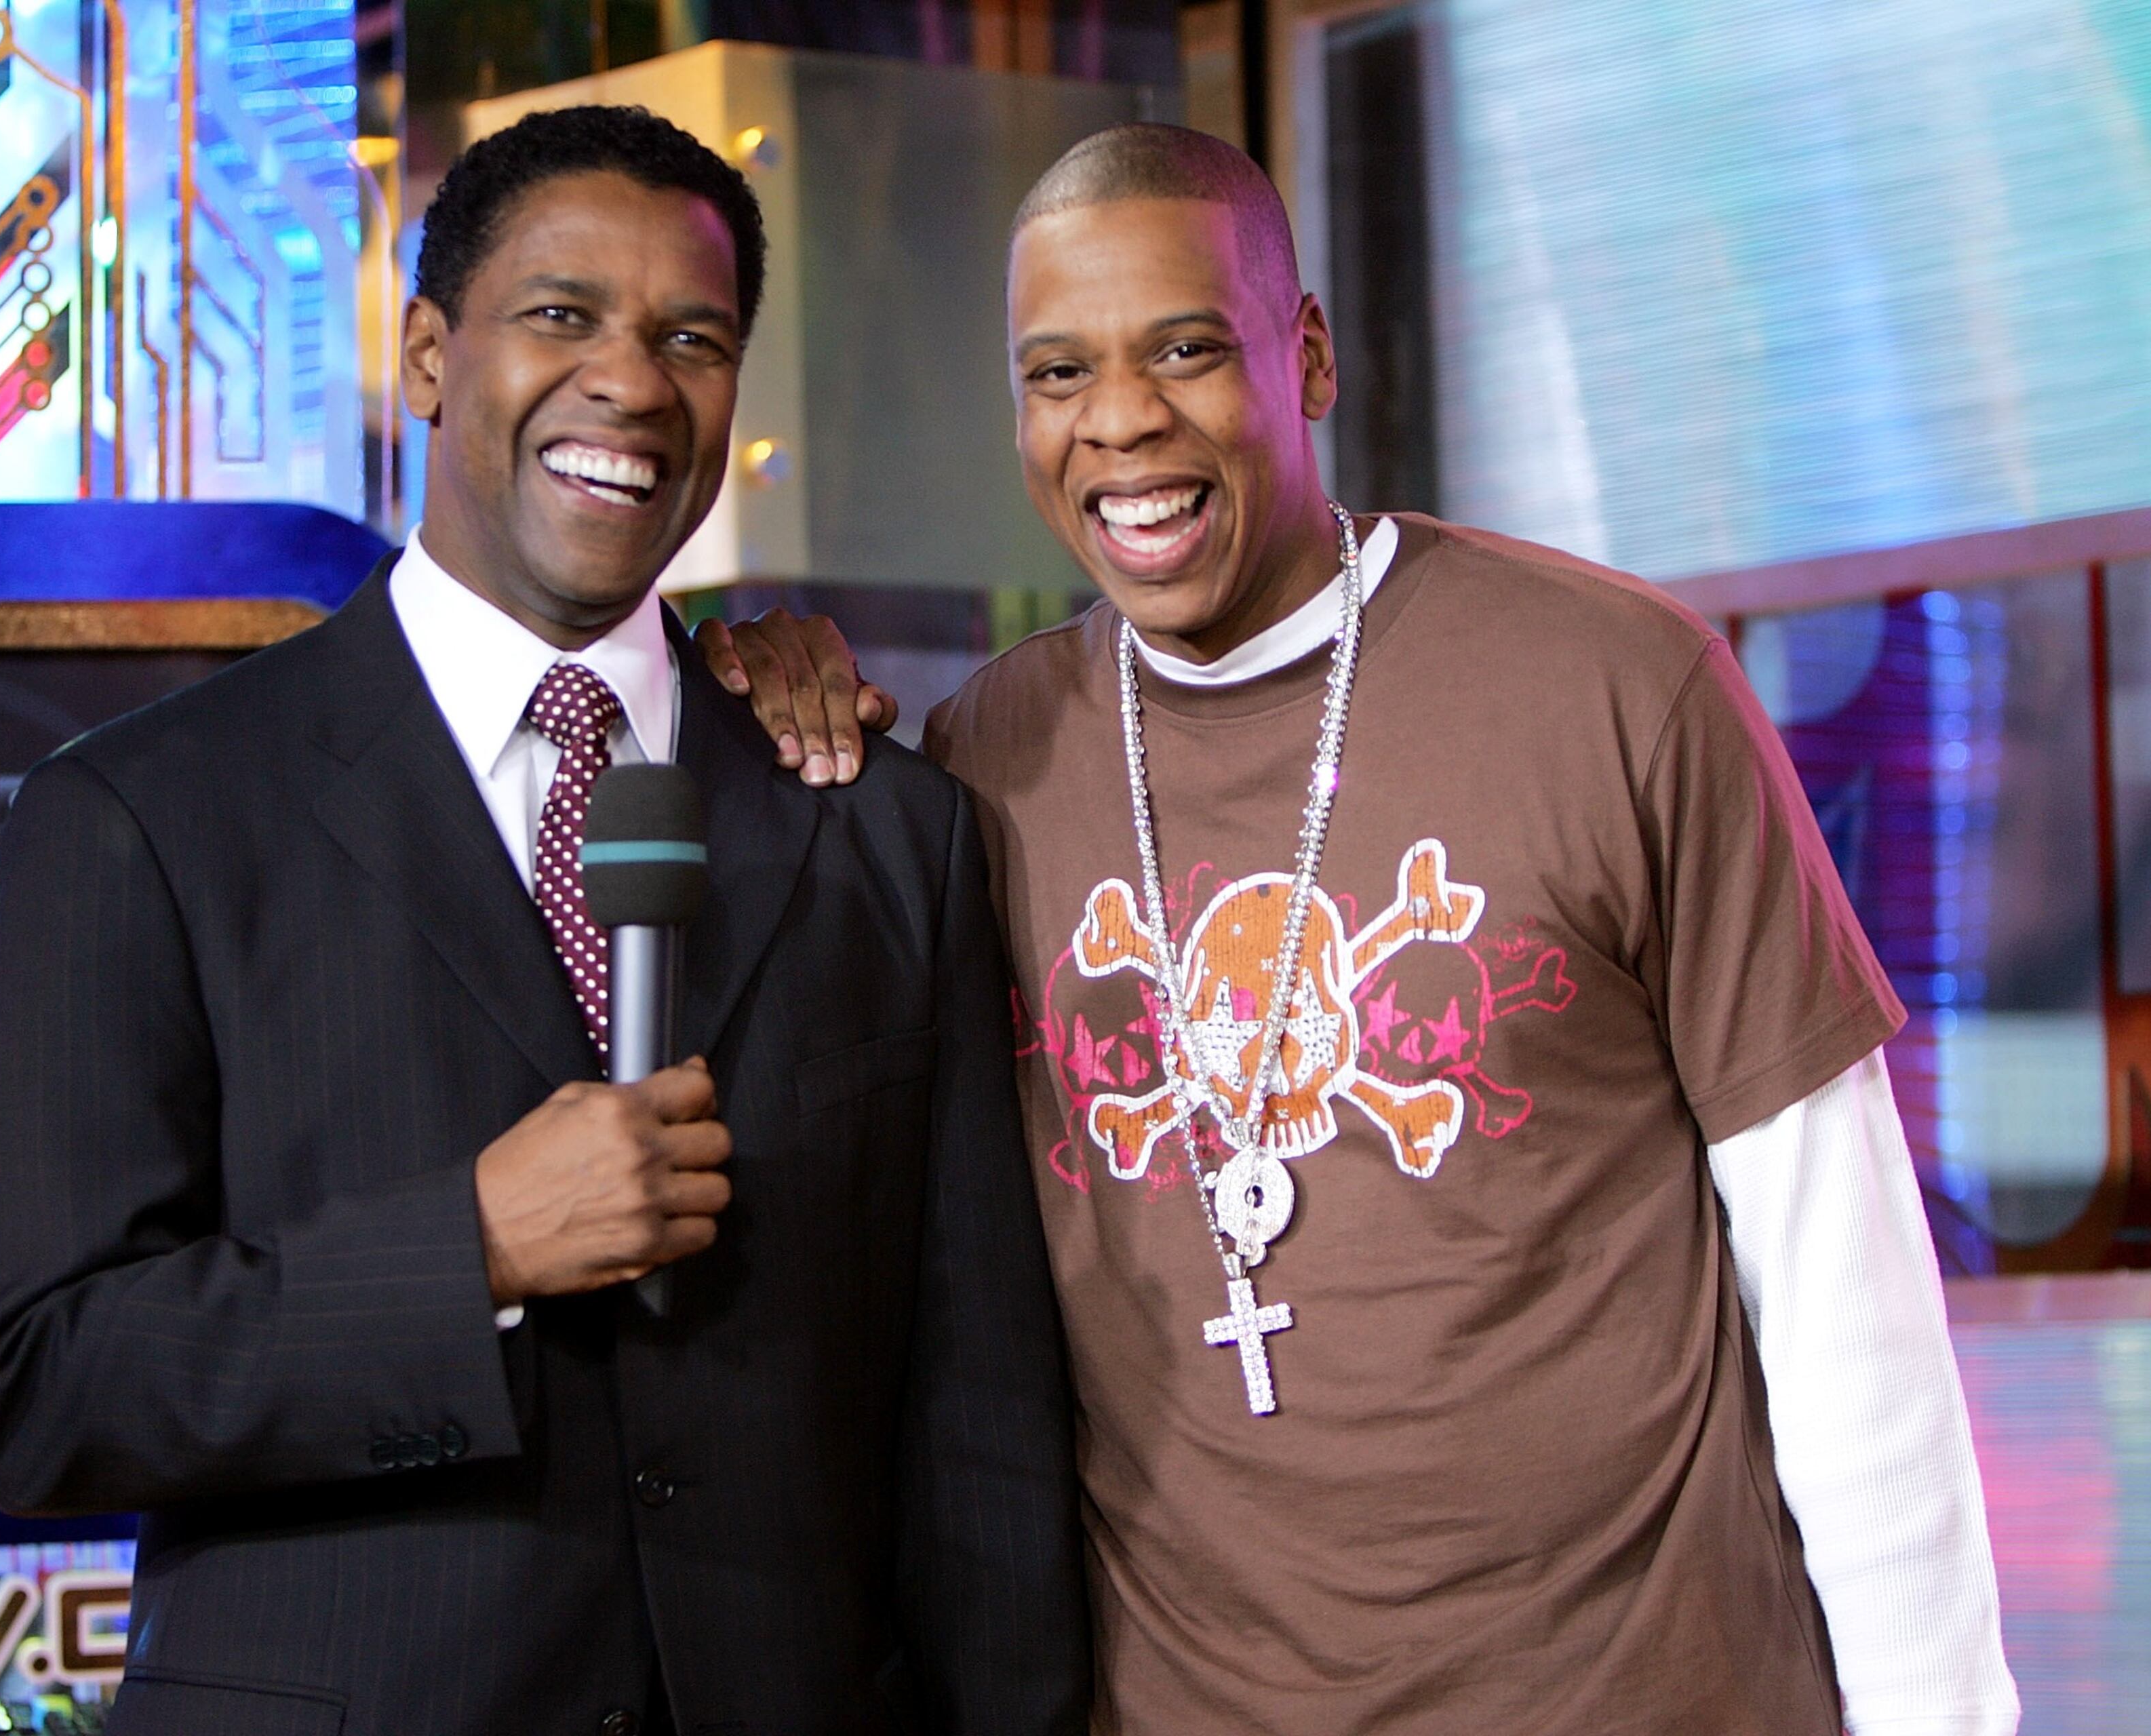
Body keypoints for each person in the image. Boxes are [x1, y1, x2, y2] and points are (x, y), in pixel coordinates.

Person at [702, 123, 2017, 1734]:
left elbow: (1841, 1285)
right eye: (1055, 374)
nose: (1118, 421)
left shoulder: (1615, 683)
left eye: (1185, 350)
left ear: (1304, 355)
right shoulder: (981, 765)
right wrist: (735, 689)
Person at [0, 104, 1086, 1736]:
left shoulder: (883, 829)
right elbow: (36, 1385)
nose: (628, 379)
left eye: (689, 337)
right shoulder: (143, 815)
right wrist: (464, 1245)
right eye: (560, 315)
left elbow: (975, 1422)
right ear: (425, 351)